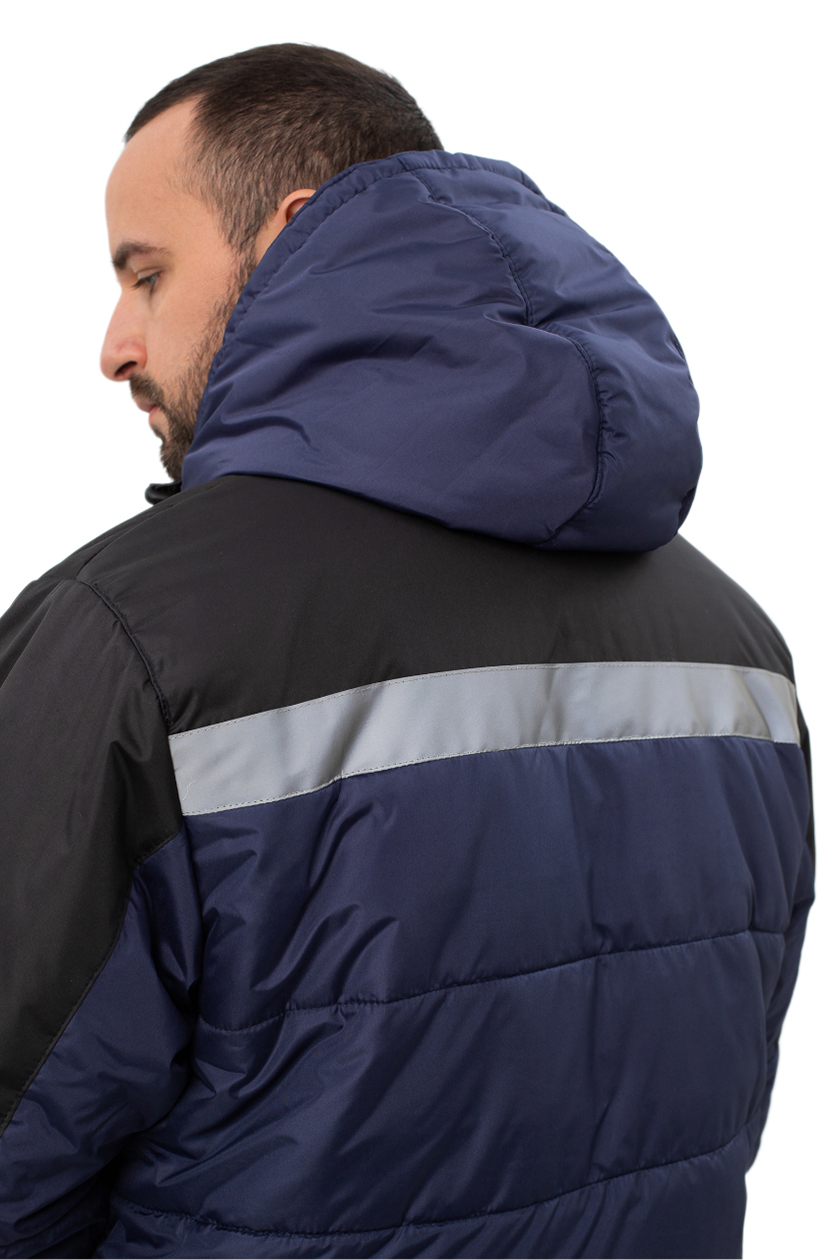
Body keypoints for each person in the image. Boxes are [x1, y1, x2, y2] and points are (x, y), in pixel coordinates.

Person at [0, 43, 813, 1260]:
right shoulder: (738, 647)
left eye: (147, 275)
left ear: (288, 235)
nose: (115, 345)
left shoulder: (136, 636)